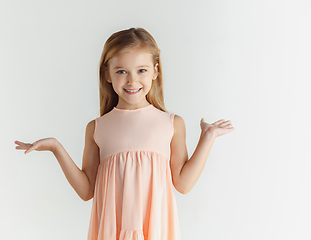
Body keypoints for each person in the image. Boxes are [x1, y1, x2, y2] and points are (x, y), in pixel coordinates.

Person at [15, 27, 234, 240]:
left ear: (155, 71)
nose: (132, 80)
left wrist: (208, 137)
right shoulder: (97, 127)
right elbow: (86, 190)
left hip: (155, 231)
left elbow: (183, 184)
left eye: (142, 70)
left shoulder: (171, 124)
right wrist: (55, 147)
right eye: (121, 71)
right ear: (107, 74)